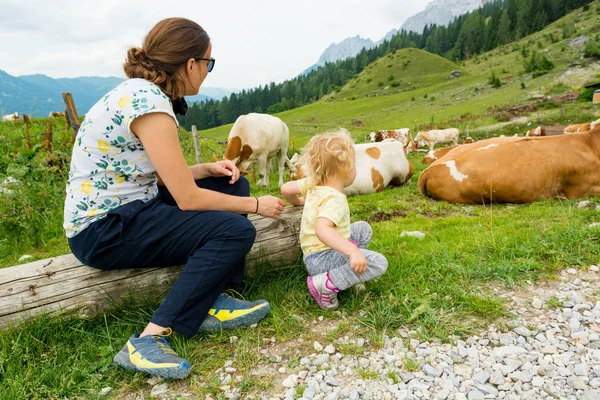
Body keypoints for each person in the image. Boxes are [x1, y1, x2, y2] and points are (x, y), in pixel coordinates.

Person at [63, 18, 286, 380]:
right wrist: (257, 206)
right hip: (104, 229)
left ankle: (214, 299)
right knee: (235, 230)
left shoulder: (142, 93)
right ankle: (152, 338)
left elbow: (151, 171)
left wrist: (207, 169)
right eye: (208, 63)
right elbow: (186, 198)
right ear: (190, 64)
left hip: (132, 206)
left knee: (233, 185)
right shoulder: (149, 103)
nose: (208, 72)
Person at [280, 130, 388, 311]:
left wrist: (298, 202)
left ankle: (351, 274)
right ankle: (326, 284)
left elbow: (285, 189)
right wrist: (353, 251)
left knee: (363, 228)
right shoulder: (335, 199)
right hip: (323, 259)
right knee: (379, 263)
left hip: (313, 255)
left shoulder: (313, 182)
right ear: (345, 168)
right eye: (354, 164)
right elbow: (323, 230)